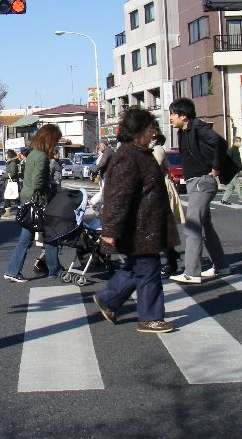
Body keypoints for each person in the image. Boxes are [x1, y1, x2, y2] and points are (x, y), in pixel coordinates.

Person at [92, 108, 177, 333]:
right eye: (150, 128)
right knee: (149, 271)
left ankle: (108, 299)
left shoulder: (139, 153)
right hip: (138, 228)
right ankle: (150, 318)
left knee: (136, 268)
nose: (153, 133)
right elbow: (118, 196)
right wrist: (110, 229)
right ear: (137, 130)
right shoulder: (128, 156)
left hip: (144, 226)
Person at [167, 98, 230, 284]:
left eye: (172, 114)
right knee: (206, 227)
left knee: (192, 226)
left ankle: (192, 272)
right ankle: (221, 266)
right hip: (195, 182)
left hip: (202, 182)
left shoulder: (198, 127)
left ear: (183, 116)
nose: (170, 117)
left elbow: (220, 142)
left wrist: (216, 168)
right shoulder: (183, 131)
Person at [3, 124, 63, 283]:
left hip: (28, 199)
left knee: (29, 238)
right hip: (37, 201)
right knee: (49, 235)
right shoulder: (42, 157)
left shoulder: (33, 154)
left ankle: (13, 270)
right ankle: (54, 270)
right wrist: (49, 190)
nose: (56, 143)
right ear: (49, 139)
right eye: (55, 140)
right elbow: (38, 183)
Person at [152, 133, 184, 277]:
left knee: (160, 226)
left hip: (161, 189)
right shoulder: (151, 149)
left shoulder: (157, 149)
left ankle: (171, 260)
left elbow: (153, 168)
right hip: (155, 188)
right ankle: (171, 256)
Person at [220, 137, 242, 205]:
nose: (240, 143)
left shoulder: (236, 150)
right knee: (238, 185)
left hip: (234, 171)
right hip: (232, 171)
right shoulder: (232, 150)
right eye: (238, 141)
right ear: (234, 142)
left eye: (240, 141)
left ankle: (224, 199)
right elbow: (226, 161)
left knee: (230, 187)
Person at [2, 149, 20, 218]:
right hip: (8, 182)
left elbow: (12, 173)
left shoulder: (12, 163)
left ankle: (21, 207)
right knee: (8, 197)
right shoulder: (10, 162)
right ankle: (7, 211)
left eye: (6, 154)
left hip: (10, 182)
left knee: (12, 197)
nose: (5, 156)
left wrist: (4, 176)